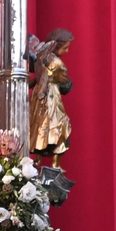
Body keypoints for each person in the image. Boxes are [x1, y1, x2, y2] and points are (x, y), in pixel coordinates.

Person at [27, 29, 75, 161]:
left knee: (39, 125)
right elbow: (65, 82)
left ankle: (37, 157)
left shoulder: (41, 59)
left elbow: (37, 78)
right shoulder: (57, 64)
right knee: (57, 124)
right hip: (51, 97)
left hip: (39, 96)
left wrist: (29, 84)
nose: (67, 51)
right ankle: (55, 162)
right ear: (56, 46)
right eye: (65, 48)